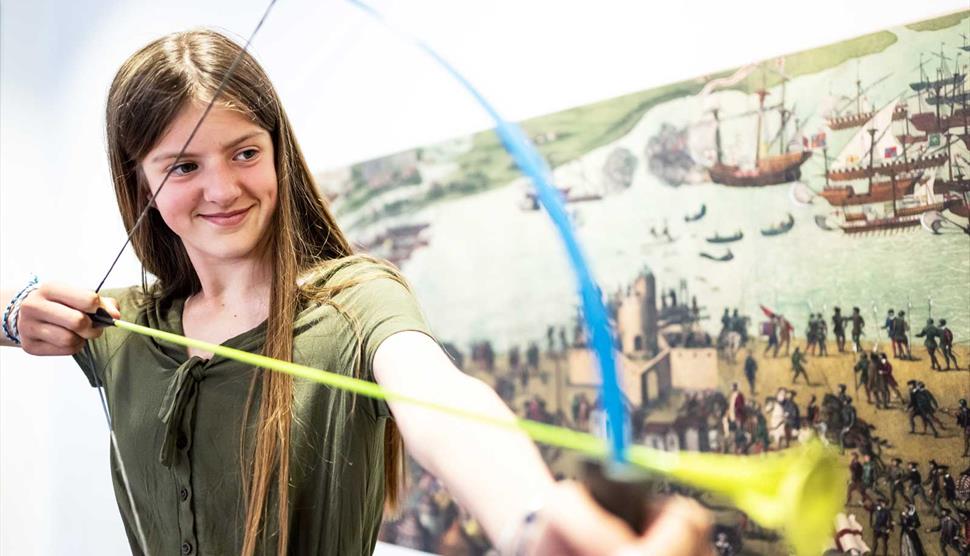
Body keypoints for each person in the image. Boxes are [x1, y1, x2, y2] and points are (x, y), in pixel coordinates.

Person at [0, 30, 712, 556]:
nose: (222, 188)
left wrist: (533, 522)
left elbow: (442, 400)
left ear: (278, 152)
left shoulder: (353, 300)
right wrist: (13, 314)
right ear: (141, 183)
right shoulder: (119, 325)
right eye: (183, 166)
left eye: (245, 151)